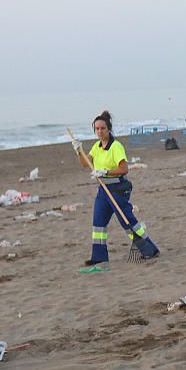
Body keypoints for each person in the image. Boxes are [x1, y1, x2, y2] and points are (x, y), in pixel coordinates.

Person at [72, 110, 159, 265]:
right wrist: (79, 151)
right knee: (98, 222)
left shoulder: (116, 146)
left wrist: (106, 171)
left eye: (102, 129)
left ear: (108, 129)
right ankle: (99, 256)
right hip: (103, 190)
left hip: (118, 188)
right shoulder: (97, 147)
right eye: (97, 129)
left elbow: (124, 169)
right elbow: (85, 163)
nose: (99, 132)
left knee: (127, 221)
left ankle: (149, 250)